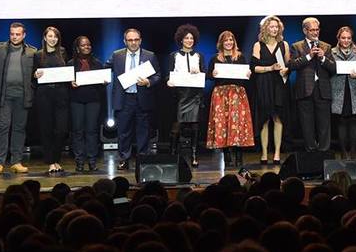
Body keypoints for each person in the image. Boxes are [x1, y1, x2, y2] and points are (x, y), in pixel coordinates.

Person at [107, 28, 161, 171]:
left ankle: (142, 159)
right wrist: (102, 78)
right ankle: (124, 159)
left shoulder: (150, 56)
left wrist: (148, 82)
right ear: (125, 41)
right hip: (124, 99)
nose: (133, 42)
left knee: (143, 131)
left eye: (136, 39)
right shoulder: (117, 55)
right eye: (130, 40)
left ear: (140, 40)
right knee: (123, 131)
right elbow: (105, 69)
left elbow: (158, 76)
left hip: (142, 98)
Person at [0, 22, 37, 175]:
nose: (15, 37)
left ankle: (16, 161)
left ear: (24, 35)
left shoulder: (32, 52)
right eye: (12, 34)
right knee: (2, 127)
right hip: (3, 95)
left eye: (18, 34)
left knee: (19, 128)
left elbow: (36, 73)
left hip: (22, 96)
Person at [206, 31, 255, 167]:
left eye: (231, 40)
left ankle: (239, 157)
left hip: (237, 94)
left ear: (234, 42)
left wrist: (248, 74)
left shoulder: (240, 57)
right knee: (223, 125)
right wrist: (212, 74)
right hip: (221, 94)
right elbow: (208, 76)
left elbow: (245, 77)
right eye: (226, 40)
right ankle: (227, 157)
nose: (228, 43)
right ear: (221, 43)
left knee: (238, 124)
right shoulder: (215, 58)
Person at [288, 17, 336, 152]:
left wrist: (323, 58)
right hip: (305, 90)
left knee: (324, 124)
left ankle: (324, 152)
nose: (315, 32)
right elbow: (291, 65)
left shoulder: (326, 47)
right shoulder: (296, 46)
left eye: (317, 29)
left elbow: (333, 68)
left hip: (322, 90)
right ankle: (311, 152)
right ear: (305, 31)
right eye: (312, 30)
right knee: (307, 124)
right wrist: (309, 56)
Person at [250, 15, 292, 165]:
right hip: (263, 84)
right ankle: (264, 153)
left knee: (278, 118)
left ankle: (277, 153)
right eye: (272, 26)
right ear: (265, 28)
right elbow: (254, 68)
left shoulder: (284, 44)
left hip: (279, 84)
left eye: (276, 27)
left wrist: (286, 70)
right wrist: (270, 68)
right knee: (265, 119)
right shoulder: (258, 45)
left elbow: (288, 65)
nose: (274, 29)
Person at [166, 24, 206, 168]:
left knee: (195, 126)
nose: (189, 40)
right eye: (186, 38)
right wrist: (168, 81)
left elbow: (204, 74)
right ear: (181, 40)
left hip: (195, 95)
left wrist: (199, 72)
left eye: (191, 38)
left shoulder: (199, 56)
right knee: (177, 126)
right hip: (180, 95)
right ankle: (173, 154)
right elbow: (169, 74)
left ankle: (194, 155)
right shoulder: (174, 55)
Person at [32, 26, 70, 174]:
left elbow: (67, 72)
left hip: (61, 94)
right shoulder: (38, 54)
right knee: (46, 129)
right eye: (50, 36)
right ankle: (51, 162)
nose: (53, 39)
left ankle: (56, 159)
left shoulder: (62, 52)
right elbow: (33, 75)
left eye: (55, 36)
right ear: (45, 38)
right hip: (44, 95)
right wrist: (35, 75)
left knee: (61, 130)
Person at [329, 26, 356, 160]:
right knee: (341, 120)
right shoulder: (332, 52)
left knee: (353, 120)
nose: (346, 40)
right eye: (343, 38)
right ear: (338, 38)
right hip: (338, 90)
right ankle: (343, 151)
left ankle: (353, 151)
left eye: (348, 38)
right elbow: (326, 69)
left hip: (355, 90)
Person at [68, 36, 105, 172]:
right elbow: (66, 83)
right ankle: (79, 161)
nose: (87, 47)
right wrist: (70, 83)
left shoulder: (97, 63)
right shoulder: (70, 64)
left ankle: (92, 161)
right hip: (76, 100)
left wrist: (104, 82)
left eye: (88, 44)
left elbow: (102, 84)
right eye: (83, 45)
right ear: (78, 48)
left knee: (92, 131)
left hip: (93, 100)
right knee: (78, 131)